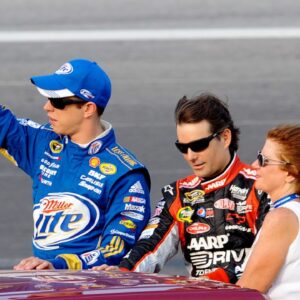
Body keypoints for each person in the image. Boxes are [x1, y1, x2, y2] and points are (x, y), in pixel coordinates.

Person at [93, 93, 269, 284]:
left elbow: (271, 253)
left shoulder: (261, 185)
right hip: (201, 294)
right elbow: (151, 244)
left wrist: (215, 280)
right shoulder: (179, 194)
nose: (191, 156)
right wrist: (123, 271)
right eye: (183, 148)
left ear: (225, 137)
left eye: (199, 145)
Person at [0, 58, 151, 270]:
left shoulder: (126, 174)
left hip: (88, 288)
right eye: (48, 99)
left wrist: (60, 265)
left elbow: (117, 249)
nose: (47, 107)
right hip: (41, 284)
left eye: (58, 102)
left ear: (88, 108)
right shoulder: (44, 143)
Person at [237, 124, 300, 299]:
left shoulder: (282, 218)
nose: (254, 165)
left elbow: (248, 290)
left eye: (264, 160)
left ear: (290, 173)